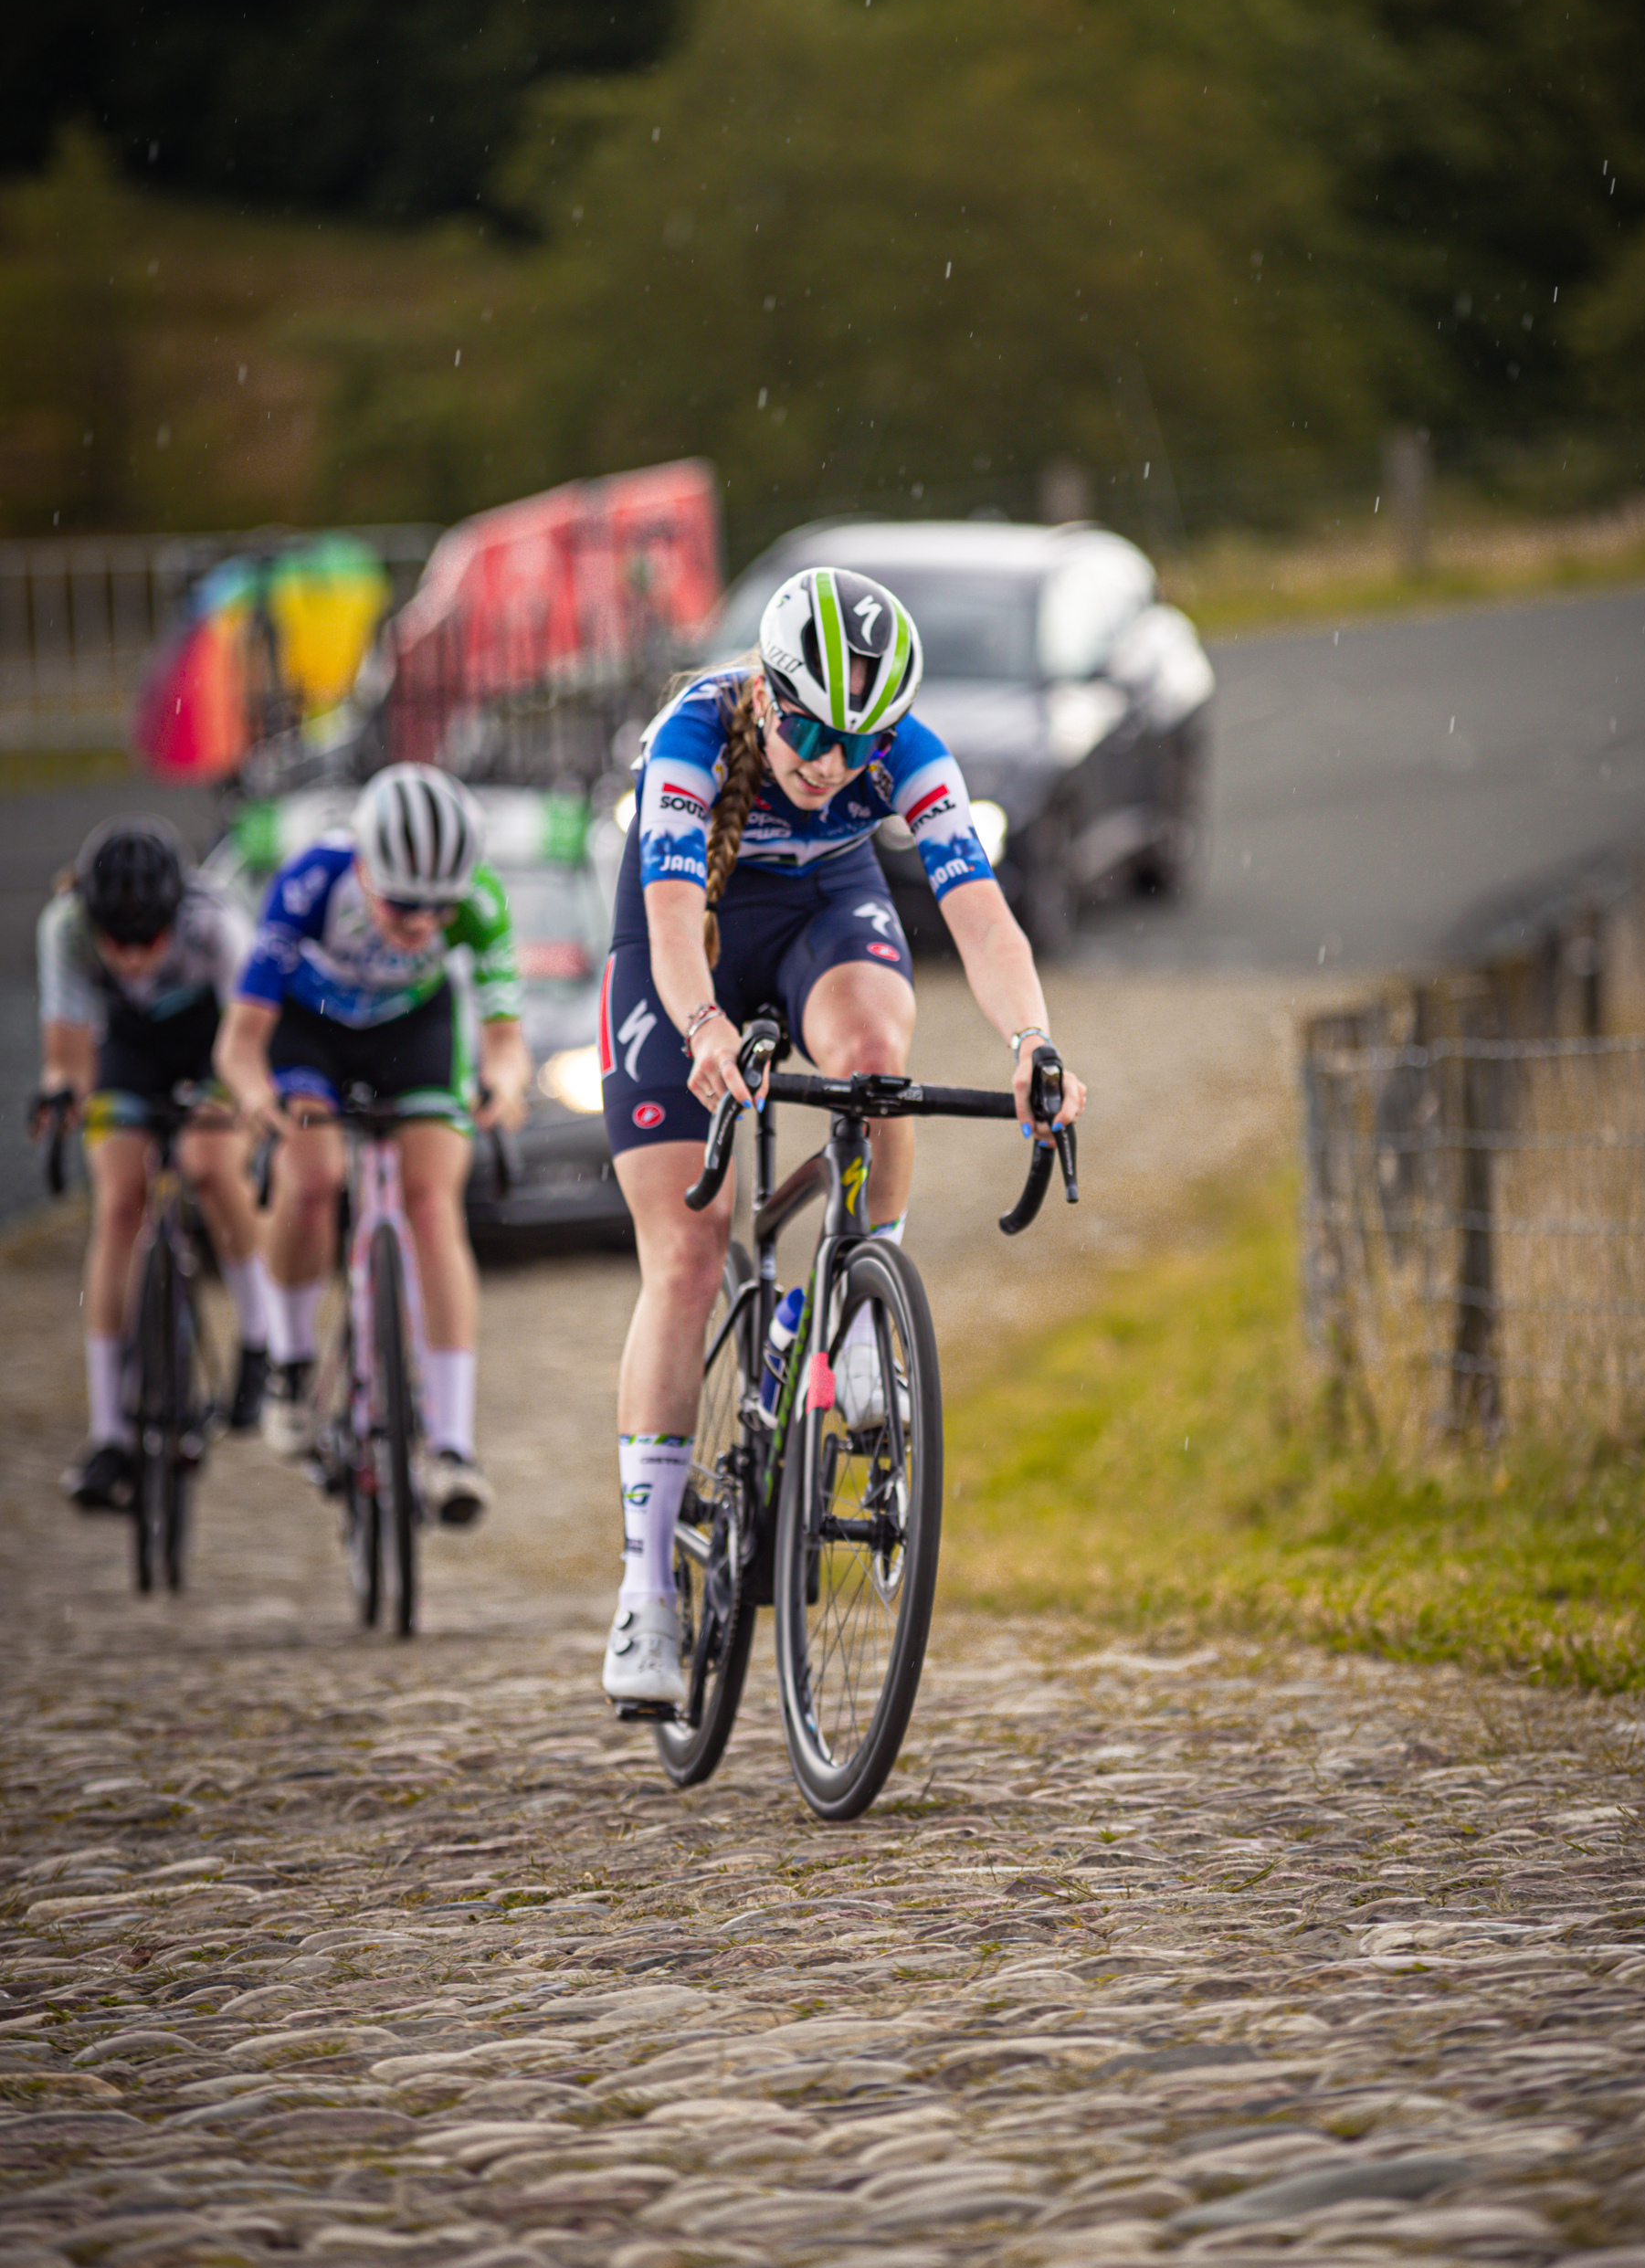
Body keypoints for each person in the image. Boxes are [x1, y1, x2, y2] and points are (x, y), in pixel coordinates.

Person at [599, 563, 1086, 1708]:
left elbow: (980, 913)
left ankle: (860, 1305)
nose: (828, 761)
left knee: (875, 1066)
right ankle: (645, 1592)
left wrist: (1030, 1044)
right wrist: (708, 1030)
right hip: (691, 942)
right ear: (767, 696)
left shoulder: (901, 757)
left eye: (857, 742)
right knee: (688, 1243)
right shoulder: (689, 738)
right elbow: (671, 931)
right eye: (809, 727)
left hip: (824, 913)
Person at [213, 763, 531, 1525]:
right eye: (401, 905)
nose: (422, 923)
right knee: (312, 1175)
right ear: (364, 867)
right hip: (308, 1032)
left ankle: (451, 1444)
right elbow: (239, 1043)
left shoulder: (478, 898)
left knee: (432, 1201)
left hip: (409, 1031)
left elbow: (504, 1038)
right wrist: (256, 1099)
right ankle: (290, 1363)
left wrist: (505, 1084)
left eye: (437, 908)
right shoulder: (308, 884)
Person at [36, 818, 271, 1510]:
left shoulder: (217, 922)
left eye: (149, 940)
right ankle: (110, 1430)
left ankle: (258, 1338)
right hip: (129, 1050)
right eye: (119, 943)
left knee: (208, 1163)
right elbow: (69, 1052)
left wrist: (242, 1109)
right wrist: (62, 1097)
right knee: (117, 1203)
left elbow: (251, 1040)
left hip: (214, 1041)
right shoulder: (66, 927)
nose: (134, 957)